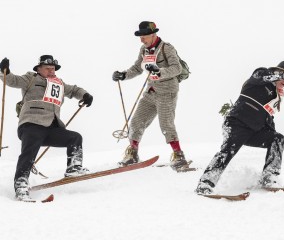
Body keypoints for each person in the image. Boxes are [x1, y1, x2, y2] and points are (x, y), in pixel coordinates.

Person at [195, 61, 284, 195]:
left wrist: (271, 134)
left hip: (255, 130)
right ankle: (205, 183)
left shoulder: (276, 95)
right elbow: (263, 76)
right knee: (228, 151)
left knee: (278, 139)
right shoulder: (261, 75)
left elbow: (268, 117)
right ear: (278, 72)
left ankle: (269, 177)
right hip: (237, 123)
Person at [0, 55, 93, 201]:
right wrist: (4, 71)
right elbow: (13, 80)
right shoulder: (30, 79)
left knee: (75, 138)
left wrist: (85, 95)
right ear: (39, 69)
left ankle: (73, 168)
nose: (51, 71)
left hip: (51, 127)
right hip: (32, 123)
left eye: (53, 68)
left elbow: (74, 90)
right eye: (47, 68)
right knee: (28, 153)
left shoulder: (59, 84)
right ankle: (21, 185)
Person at [112, 21, 189, 170]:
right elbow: (137, 68)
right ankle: (133, 153)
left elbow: (177, 68)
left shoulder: (167, 48)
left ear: (153, 34)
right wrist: (123, 75)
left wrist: (159, 72)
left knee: (166, 124)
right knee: (136, 122)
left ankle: (179, 155)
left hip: (167, 92)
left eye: (144, 36)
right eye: (140, 36)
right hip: (150, 92)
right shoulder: (144, 49)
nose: (142, 39)